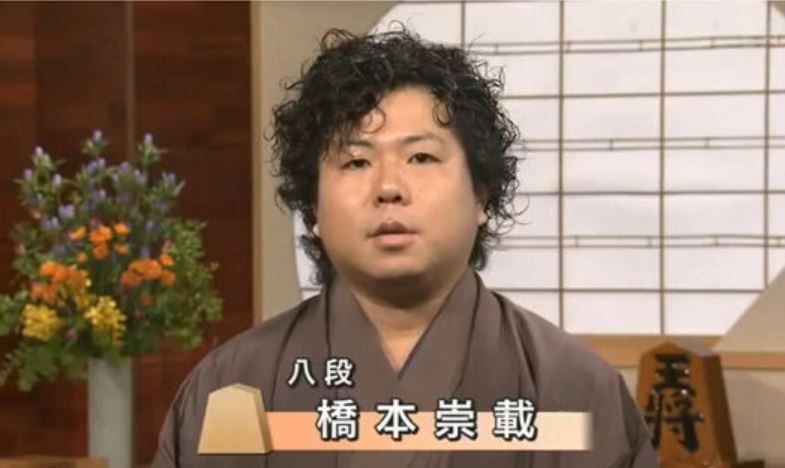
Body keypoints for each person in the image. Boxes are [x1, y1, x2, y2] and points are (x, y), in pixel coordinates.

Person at [152, 27, 658, 468]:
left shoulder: (573, 388)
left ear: (481, 195)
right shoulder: (233, 386)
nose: (389, 187)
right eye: (356, 162)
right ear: (314, 209)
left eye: (421, 157)